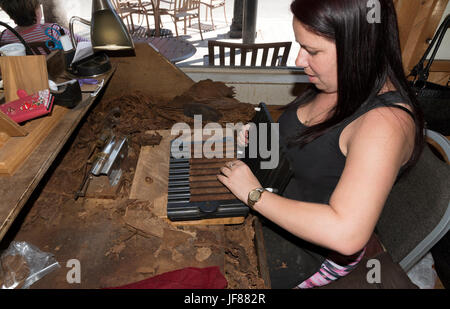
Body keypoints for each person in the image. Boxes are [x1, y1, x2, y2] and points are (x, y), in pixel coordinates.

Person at [218, 0, 424, 288]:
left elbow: (346, 233)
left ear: (358, 48)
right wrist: (264, 140)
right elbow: (313, 150)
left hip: (313, 253)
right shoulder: (339, 80)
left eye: (312, 51)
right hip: (281, 210)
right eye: (300, 45)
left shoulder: (385, 124)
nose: (299, 60)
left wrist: (254, 195)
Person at [0, 0, 86, 54]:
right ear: (36, 12)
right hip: (55, 76)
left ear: (11, 16)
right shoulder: (52, 30)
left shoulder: (4, 36)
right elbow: (83, 42)